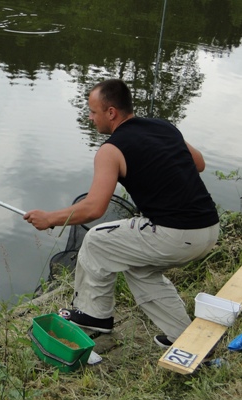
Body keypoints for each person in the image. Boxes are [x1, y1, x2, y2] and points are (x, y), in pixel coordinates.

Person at [23, 79, 219, 348]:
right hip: (209, 229)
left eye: (93, 112)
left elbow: (94, 208)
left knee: (97, 239)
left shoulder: (110, 149)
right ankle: (184, 337)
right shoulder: (164, 126)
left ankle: (94, 316)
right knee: (140, 269)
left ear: (111, 112)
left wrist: (49, 219)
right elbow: (199, 164)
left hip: (175, 234)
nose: (90, 118)